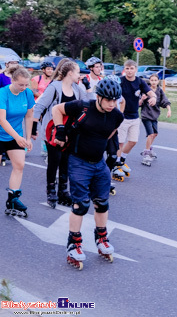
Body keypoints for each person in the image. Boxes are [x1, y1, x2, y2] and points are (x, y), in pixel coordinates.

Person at [51, 78, 124, 270]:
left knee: (102, 202)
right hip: (78, 162)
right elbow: (56, 109)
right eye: (108, 100)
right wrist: (60, 130)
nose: (112, 104)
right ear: (98, 97)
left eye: (115, 100)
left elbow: (108, 134)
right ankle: (74, 243)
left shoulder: (117, 116)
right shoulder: (83, 106)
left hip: (99, 164)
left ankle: (102, 239)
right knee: (81, 204)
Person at [32, 59, 90, 208]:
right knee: (55, 160)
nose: (79, 75)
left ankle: (63, 191)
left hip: (69, 131)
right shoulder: (55, 87)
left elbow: (89, 102)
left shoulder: (77, 88)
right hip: (52, 130)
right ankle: (51, 191)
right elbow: (39, 106)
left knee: (66, 161)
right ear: (70, 73)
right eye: (77, 72)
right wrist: (33, 128)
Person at [113, 60, 156, 181]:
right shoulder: (120, 81)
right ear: (124, 70)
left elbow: (150, 92)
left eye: (131, 68)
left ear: (136, 69)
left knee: (133, 141)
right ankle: (115, 166)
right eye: (127, 68)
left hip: (134, 117)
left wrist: (153, 97)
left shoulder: (139, 81)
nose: (129, 71)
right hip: (122, 117)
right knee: (120, 143)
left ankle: (121, 161)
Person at [0, 66, 34, 217]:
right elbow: (2, 120)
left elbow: (28, 116)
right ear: (12, 80)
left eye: (26, 84)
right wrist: (18, 137)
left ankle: (13, 199)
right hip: (4, 133)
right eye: (21, 84)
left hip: (16, 135)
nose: (24, 88)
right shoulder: (2, 93)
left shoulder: (27, 93)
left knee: (19, 165)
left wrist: (27, 138)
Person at [139, 73, 171, 166]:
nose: (153, 82)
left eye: (155, 80)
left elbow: (165, 101)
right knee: (150, 134)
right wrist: (142, 99)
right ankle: (146, 154)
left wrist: (169, 110)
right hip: (146, 116)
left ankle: (148, 148)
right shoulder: (146, 90)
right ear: (149, 81)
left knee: (155, 134)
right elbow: (139, 103)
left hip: (154, 116)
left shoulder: (160, 91)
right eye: (152, 80)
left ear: (158, 81)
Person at [31, 61, 55, 157]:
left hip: (48, 107)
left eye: (51, 69)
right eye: (48, 69)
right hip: (37, 106)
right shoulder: (36, 78)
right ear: (43, 70)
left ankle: (45, 148)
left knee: (46, 126)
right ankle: (24, 144)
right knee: (32, 127)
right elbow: (34, 91)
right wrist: (44, 97)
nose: (50, 71)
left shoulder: (53, 80)